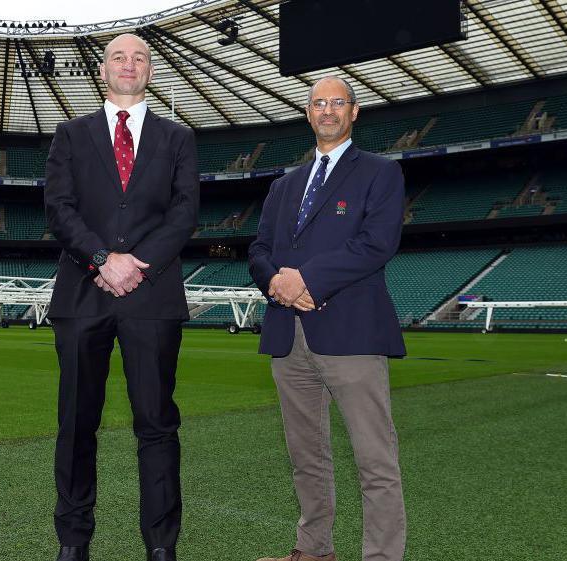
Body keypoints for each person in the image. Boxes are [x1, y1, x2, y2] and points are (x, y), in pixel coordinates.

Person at [43, 32, 199, 561]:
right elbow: (59, 208)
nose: (128, 64)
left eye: (139, 58)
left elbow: (183, 213)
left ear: (150, 70)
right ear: (102, 70)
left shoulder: (178, 139)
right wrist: (101, 259)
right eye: (118, 57)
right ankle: (73, 540)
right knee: (76, 421)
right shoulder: (69, 135)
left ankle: (160, 544)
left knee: (156, 422)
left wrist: (137, 264)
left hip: (152, 296)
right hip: (83, 294)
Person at [248, 76, 407, 561]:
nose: (328, 110)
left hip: (352, 333)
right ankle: (313, 551)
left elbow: (376, 244)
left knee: (375, 461)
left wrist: (305, 280)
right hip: (287, 334)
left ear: (354, 112)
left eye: (338, 102)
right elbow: (258, 249)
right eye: (319, 103)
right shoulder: (284, 184)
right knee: (306, 459)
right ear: (308, 111)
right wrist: (276, 283)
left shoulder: (380, 173)